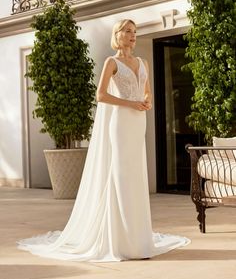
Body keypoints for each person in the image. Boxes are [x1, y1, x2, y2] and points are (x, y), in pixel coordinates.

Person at [17, 19, 190, 262]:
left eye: (134, 31)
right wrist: (131, 103)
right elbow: (101, 95)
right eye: (127, 31)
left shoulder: (143, 62)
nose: (132, 35)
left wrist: (147, 101)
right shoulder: (112, 62)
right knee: (119, 175)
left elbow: (147, 89)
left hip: (138, 122)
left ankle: (137, 239)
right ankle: (118, 240)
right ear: (117, 35)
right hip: (120, 123)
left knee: (135, 176)